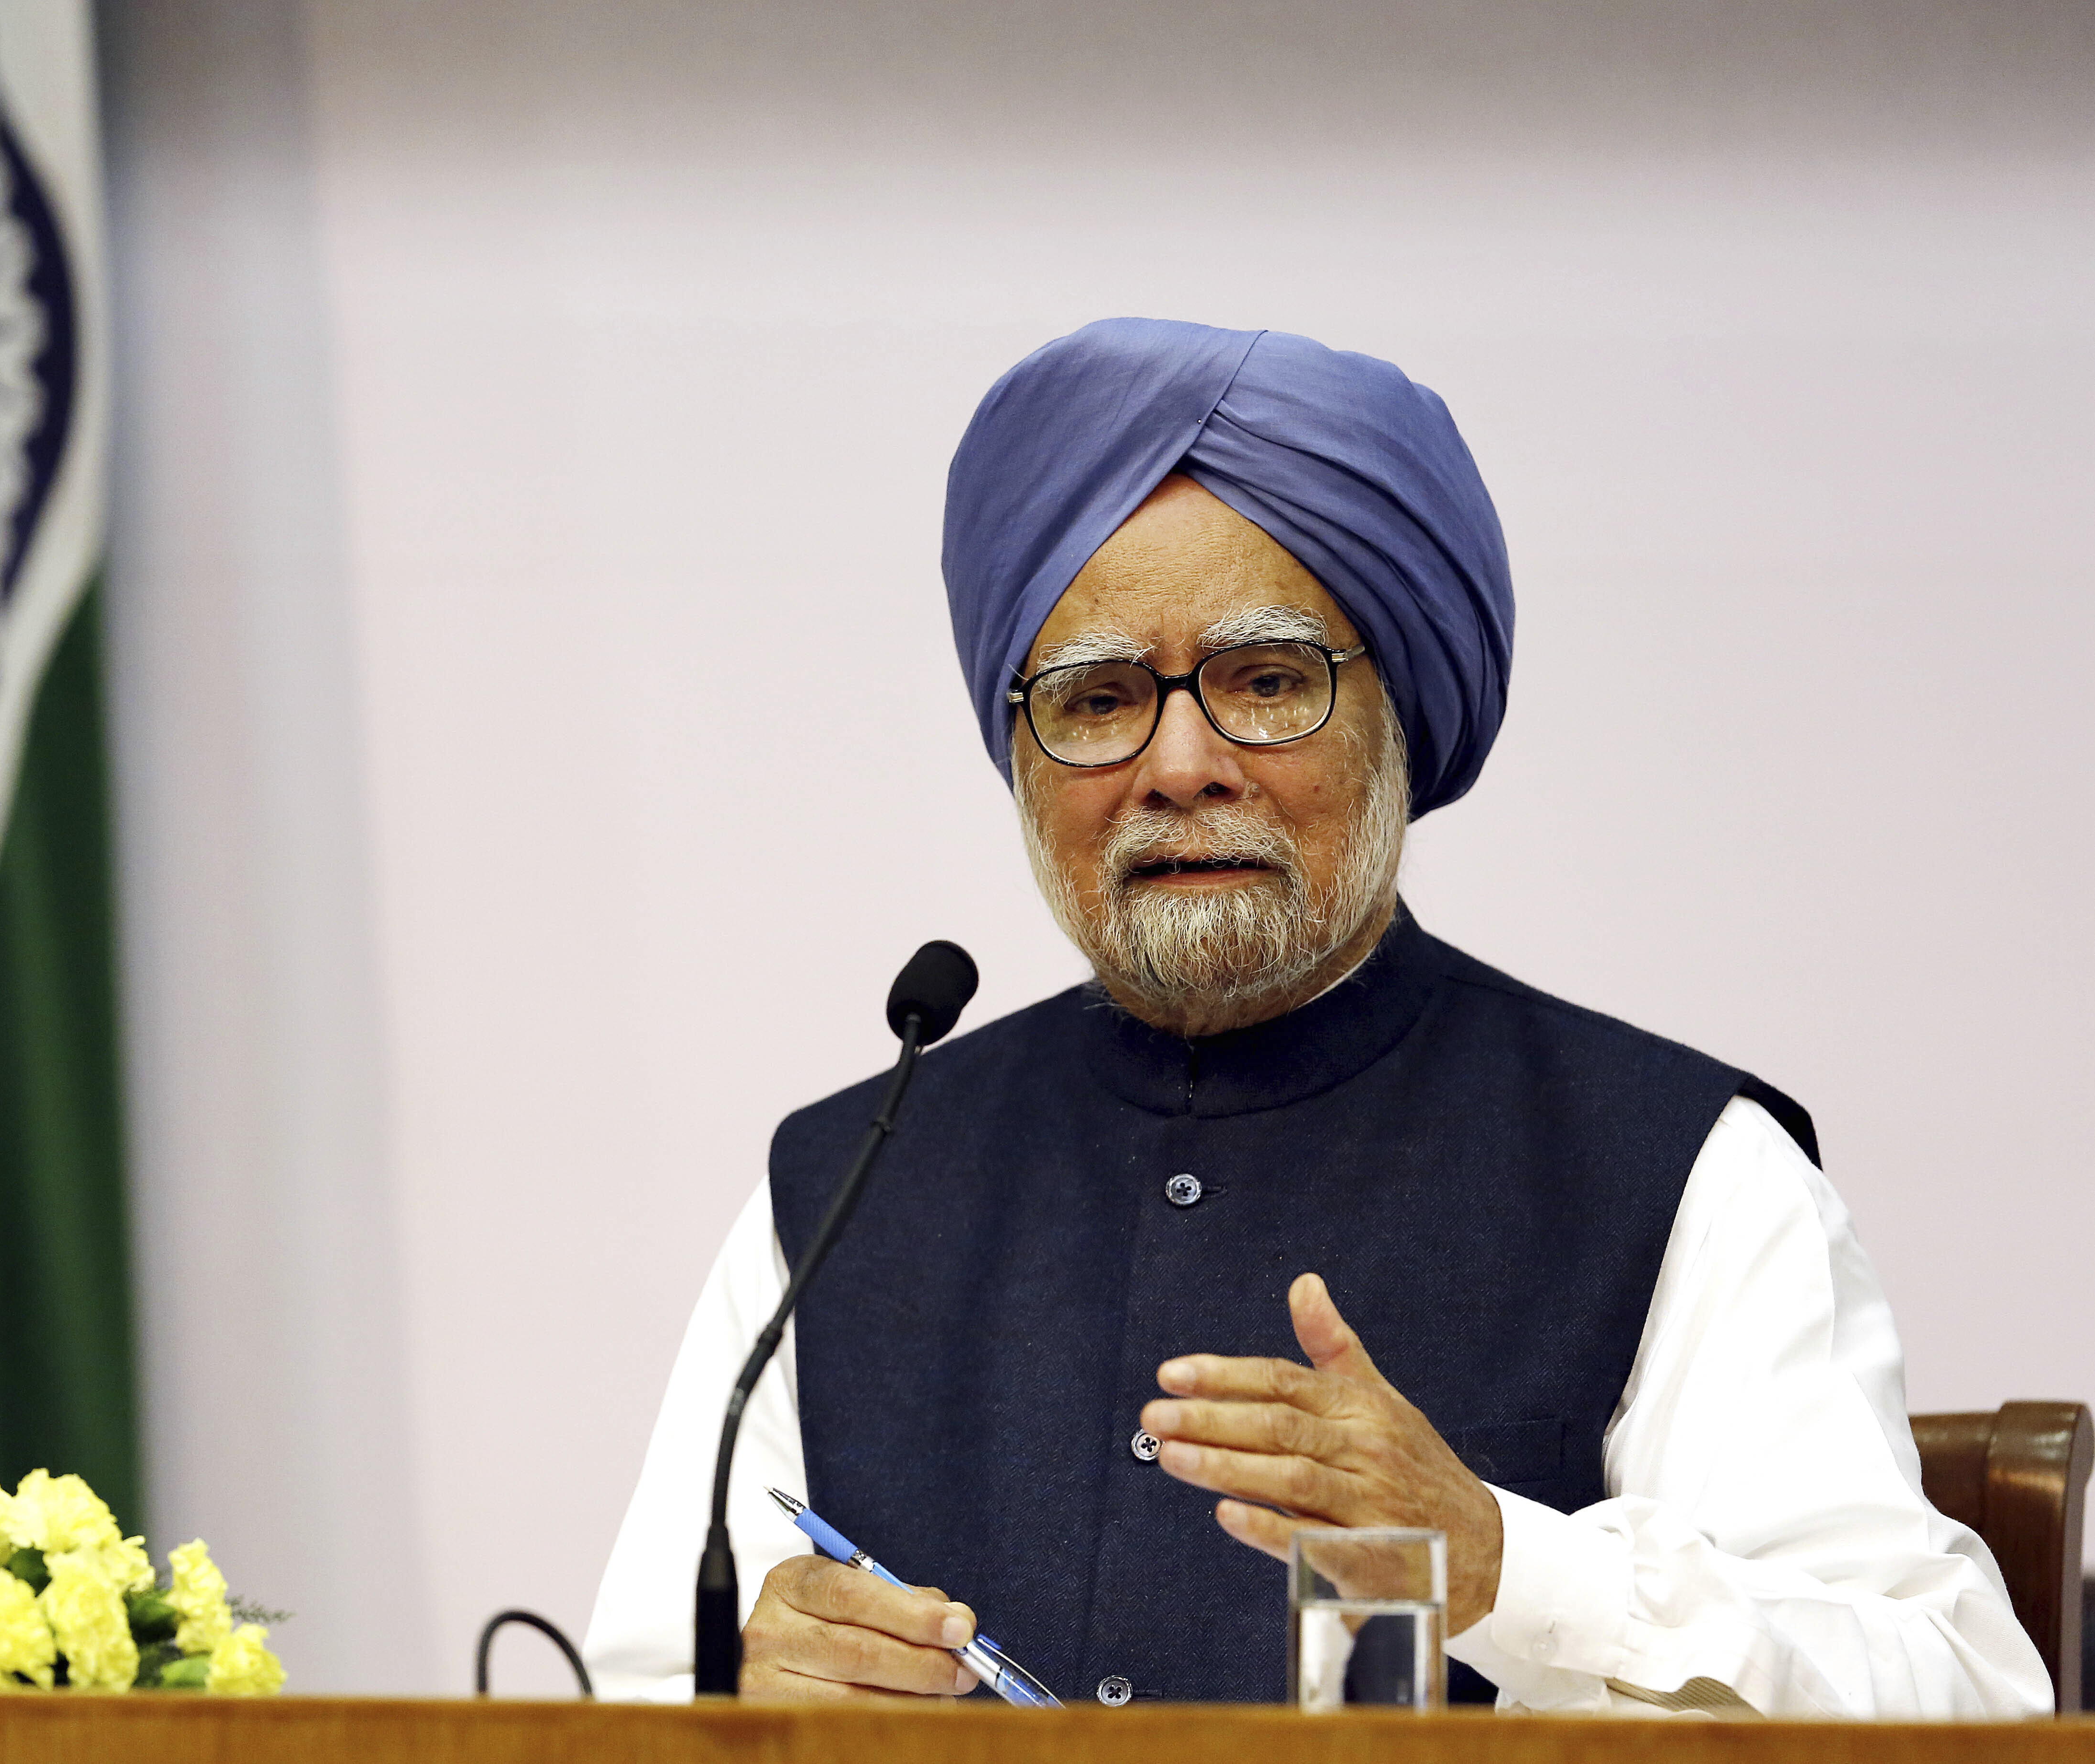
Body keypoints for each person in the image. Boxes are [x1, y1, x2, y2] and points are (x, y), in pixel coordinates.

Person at [584, 318, 2050, 1717]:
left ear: (1397, 720)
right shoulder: (846, 1184)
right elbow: (639, 1691)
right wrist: (740, 1702)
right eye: (1095, 701)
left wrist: (1499, 1564)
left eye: (1265, 681)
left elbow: (1948, 1695)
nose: (1178, 764)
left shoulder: (1676, 1165)